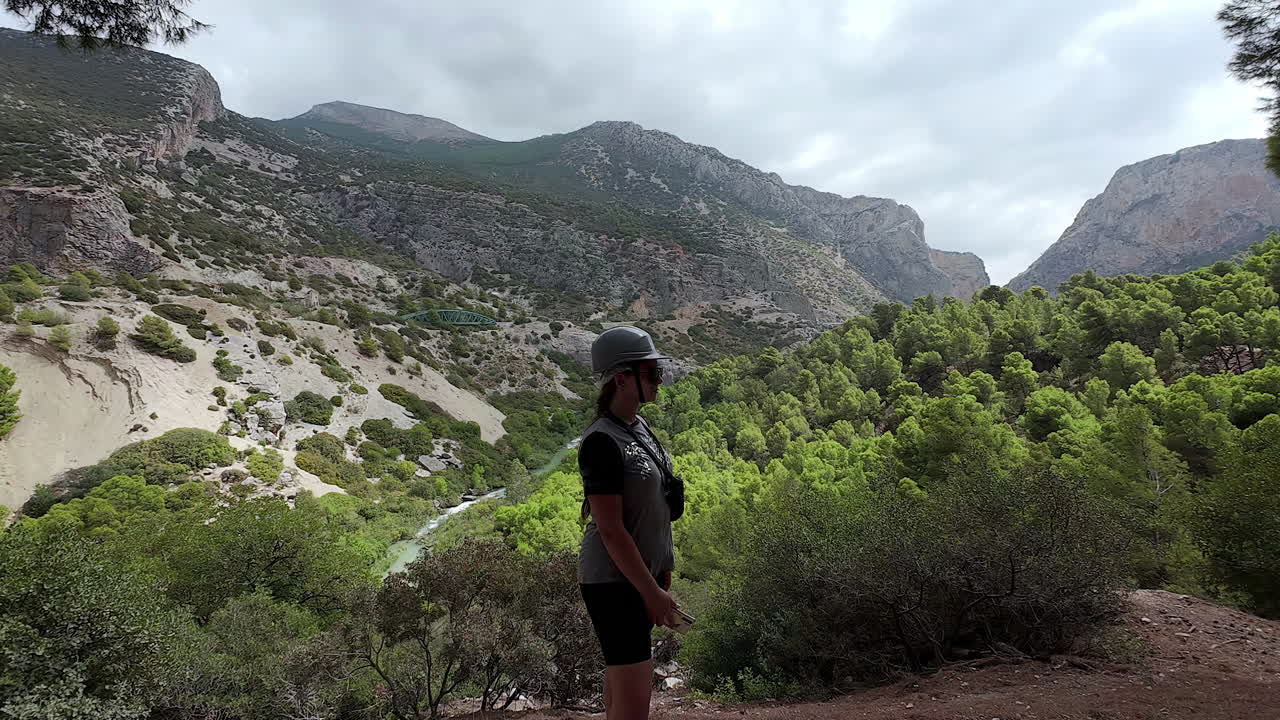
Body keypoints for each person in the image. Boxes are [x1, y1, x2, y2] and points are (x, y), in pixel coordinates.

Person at [578, 326, 682, 720]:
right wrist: (651, 590)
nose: (660, 380)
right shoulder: (601, 441)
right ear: (623, 378)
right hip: (614, 582)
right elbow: (610, 530)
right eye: (652, 372)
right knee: (635, 700)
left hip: (636, 578)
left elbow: (652, 506)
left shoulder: (637, 427)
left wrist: (662, 569)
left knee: (623, 689)